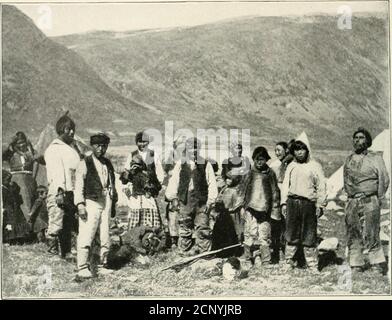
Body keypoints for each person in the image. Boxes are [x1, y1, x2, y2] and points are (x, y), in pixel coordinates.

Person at [343, 127, 389, 274]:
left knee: (372, 232)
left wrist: (378, 197)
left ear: (368, 141)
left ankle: (377, 263)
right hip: (352, 201)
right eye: (355, 138)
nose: (357, 140)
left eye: (361, 138)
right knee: (353, 231)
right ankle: (356, 263)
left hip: (370, 200)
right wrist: (350, 196)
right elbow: (345, 179)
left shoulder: (376, 158)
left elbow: (384, 179)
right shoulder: (349, 159)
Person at [74, 133, 118, 279]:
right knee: (87, 233)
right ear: (92, 146)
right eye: (98, 145)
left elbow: (112, 183)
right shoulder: (85, 163)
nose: (101, 149)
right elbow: (78, 185)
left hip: (106, 201)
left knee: (104, 235)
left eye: (104, 146)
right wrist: (80, 204)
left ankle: (101, 264)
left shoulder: (108, 163)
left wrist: (113, 204)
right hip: (91, 202)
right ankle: (82, 267)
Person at [166, 137, 218, 256]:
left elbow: (211, 183)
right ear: (187, 149)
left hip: (201, 201)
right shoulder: (181, 164)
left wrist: (211, 201)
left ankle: (204, 254)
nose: (193, 150)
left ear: (199, 149)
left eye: (195, 147)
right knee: (185, 227)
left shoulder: (205, 164)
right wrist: (173, 198)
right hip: (185, 200)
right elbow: (174, 182)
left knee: (203, 227)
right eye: (190, 148)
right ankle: (184, 253)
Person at [281, 140, 327, 271]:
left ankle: (312, 264)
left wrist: (320, 205)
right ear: (293, 152)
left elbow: (321, 186)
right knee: (291, 233)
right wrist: (283, 203)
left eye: (302, 149)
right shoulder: (291, 166)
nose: (299, 152)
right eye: (296, 150)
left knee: (309, 234)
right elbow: (285, 185)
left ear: (307, 150)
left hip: (308, 203)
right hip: (292, 202)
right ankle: (289, 261)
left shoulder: (315, 166)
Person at [44, 112, 81, 259]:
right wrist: (60, 192)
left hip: (70, 190)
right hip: (60, 191)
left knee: (68, 222)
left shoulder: (69, 147)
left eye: (72, 129)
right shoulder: (54, 149)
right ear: (62, 130)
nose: (72, 132)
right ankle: (53, 253)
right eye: (68, 129)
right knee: (57, 221)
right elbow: (57, 172)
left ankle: (66, 251)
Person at [243, 146, 280, 268]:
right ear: (253, 159)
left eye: (262, 159)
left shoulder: (270, 174)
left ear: (266, 160)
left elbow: (275, 192)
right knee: (250, 234)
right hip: (250, 209)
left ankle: (265, 260)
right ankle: (249, 258)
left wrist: (275, 210)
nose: (260, 162)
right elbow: (242, 190)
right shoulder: (249, 173)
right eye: (257, 159)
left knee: (264, 235)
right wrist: (242, 207)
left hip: (265, 210)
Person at [120, 131, 165, 231]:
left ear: (148, 142)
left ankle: (151, 239)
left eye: (144, 141)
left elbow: (160, 174)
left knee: (150, 218)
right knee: (135, 218)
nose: (142, 144)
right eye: (140, 141)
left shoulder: (153, 155)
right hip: (135, 193)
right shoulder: (132, 155)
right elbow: (126, 174)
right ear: (136, 143)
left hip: (149, 192)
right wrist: (128, 185)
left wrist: (154, 188)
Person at [3, 131, 45, 220]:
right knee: (21, 204)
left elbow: (40, 160)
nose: (22, 145)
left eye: (23, 142)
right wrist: (10, 145)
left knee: (32, 203)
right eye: (19, 143)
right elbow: (3, 155)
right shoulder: (11, 153)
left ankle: (32, 227)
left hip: (29, 179)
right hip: (17, 180)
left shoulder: (31, 152)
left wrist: (32, 154)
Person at [269, 141, 294, 263]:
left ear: (286, 150)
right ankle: (277, 251)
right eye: (275, 150)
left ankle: (288, 253)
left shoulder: (290, 164)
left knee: (288, 226)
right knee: (276, 225)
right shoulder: (274, 165)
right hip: (276, 199)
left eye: (279, 150)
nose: (277, 153)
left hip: (288, 198)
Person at [2, 170, 31, 244]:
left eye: (9, 180)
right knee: (10, 224)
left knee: (17, 222)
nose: (9, 182)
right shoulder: (3, 189)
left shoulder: (10, 187)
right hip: (8, 210)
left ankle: (19, 238)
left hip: (15, 209)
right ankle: (10, 239)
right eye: (7, 180)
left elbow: (17, 197)